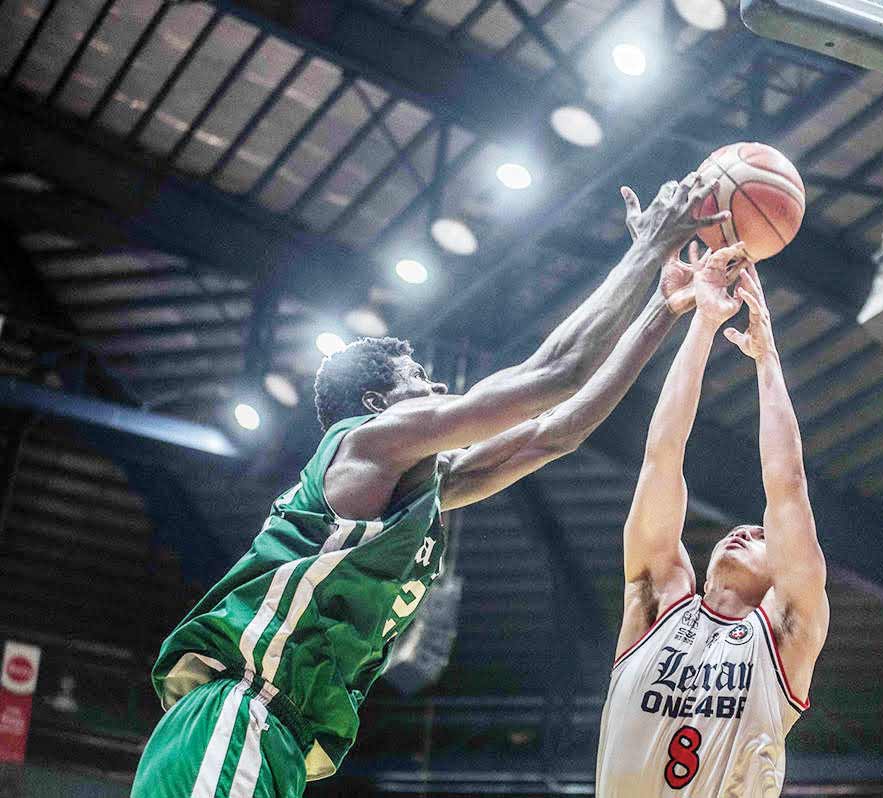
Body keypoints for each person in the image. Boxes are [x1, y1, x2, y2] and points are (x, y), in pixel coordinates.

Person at [131, 174, 742, 798]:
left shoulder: (419, 490)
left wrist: (661, 309)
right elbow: (554, 373)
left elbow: (556, 432)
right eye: (419, 377)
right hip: (239, 711)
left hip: (279, 740)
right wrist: (644, 251)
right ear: (377, 403)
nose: (439, 389)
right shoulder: (364, 443)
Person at [595, 263, 830, 796]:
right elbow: (661, 457)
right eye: (739, 531)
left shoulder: (786, 633)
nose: (743, 533)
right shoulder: (658, 599)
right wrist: (702, 325)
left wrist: (767, 359)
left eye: (762, 535)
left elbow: (787, 485)